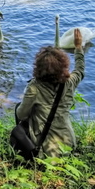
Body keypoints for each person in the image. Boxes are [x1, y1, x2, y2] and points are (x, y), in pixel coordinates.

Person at [15, 28, 85, 158]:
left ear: (38, 67)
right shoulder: (69, 82)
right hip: (68, 142)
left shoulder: (34, 87)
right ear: (64, 65)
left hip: (45, 148)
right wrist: (78, 47)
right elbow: (80, 70)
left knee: (18, 108)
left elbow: (21, 114)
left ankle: (28, 147)